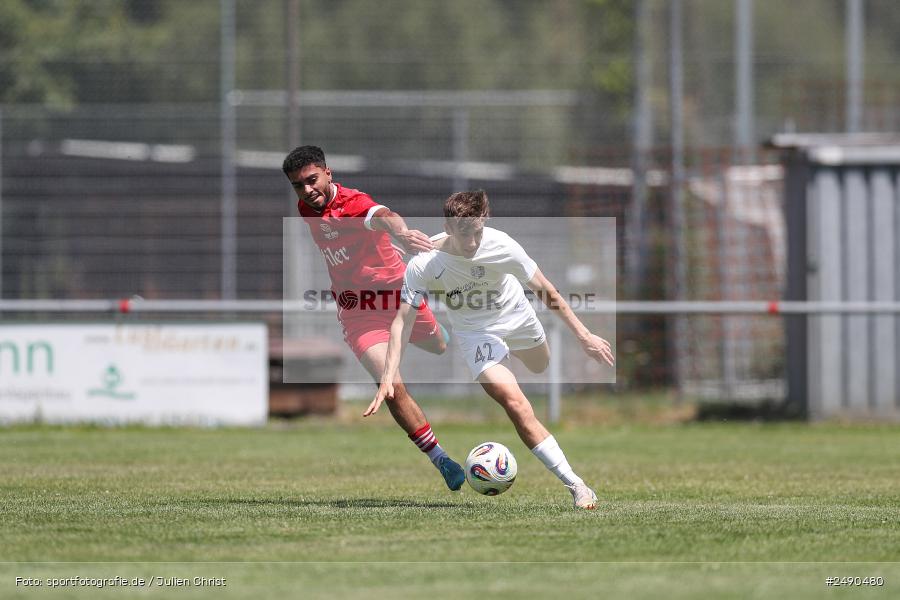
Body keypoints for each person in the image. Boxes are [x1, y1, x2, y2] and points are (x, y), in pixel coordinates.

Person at [371, 190, 615, 509]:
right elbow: (402, 321)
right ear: (447, 226)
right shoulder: (424, 263)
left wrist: (584, 336)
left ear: (484, 221)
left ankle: (511, 354)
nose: (471, 242)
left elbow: (547, 290)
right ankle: (577, 484)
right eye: (463, 233)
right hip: (477, 334)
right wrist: (389, 376)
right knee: (515, 402)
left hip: (517, 316)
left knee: (540, 364)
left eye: (476, 232)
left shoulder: (504, 246)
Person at [282, 145, 465, 491]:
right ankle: (441, 459)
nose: (307, 190)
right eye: (298, 185)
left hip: (398, 297)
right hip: (357, 312)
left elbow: (382, 215)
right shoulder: (305, 207)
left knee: (439, 346)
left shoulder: (352, 204)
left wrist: (400, 234)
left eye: (312, 180)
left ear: (328, 173)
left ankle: (442, 330)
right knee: (391, 385)